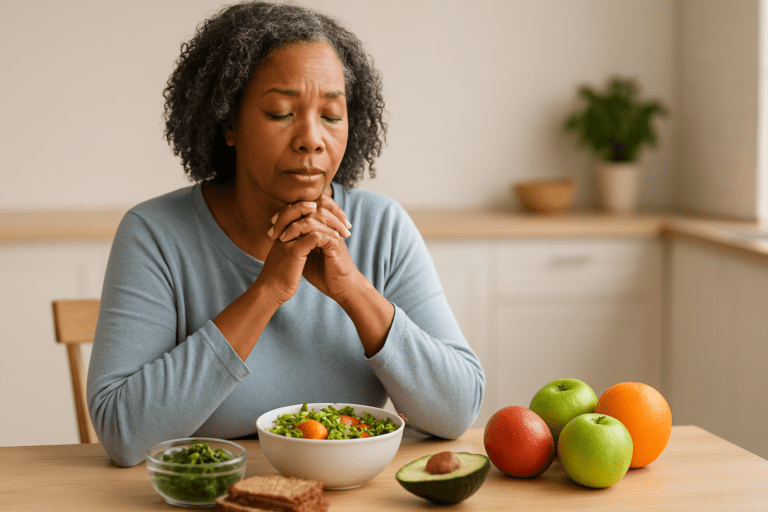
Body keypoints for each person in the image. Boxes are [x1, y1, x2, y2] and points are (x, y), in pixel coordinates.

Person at [87, 0, 484, 467]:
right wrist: (269, 290)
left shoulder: (382, 227)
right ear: (229, 123)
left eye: (332, 116)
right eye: (280, 112)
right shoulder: (154, 235)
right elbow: (123, 433)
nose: (311, 138)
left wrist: (353, 290)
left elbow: (457, 411)